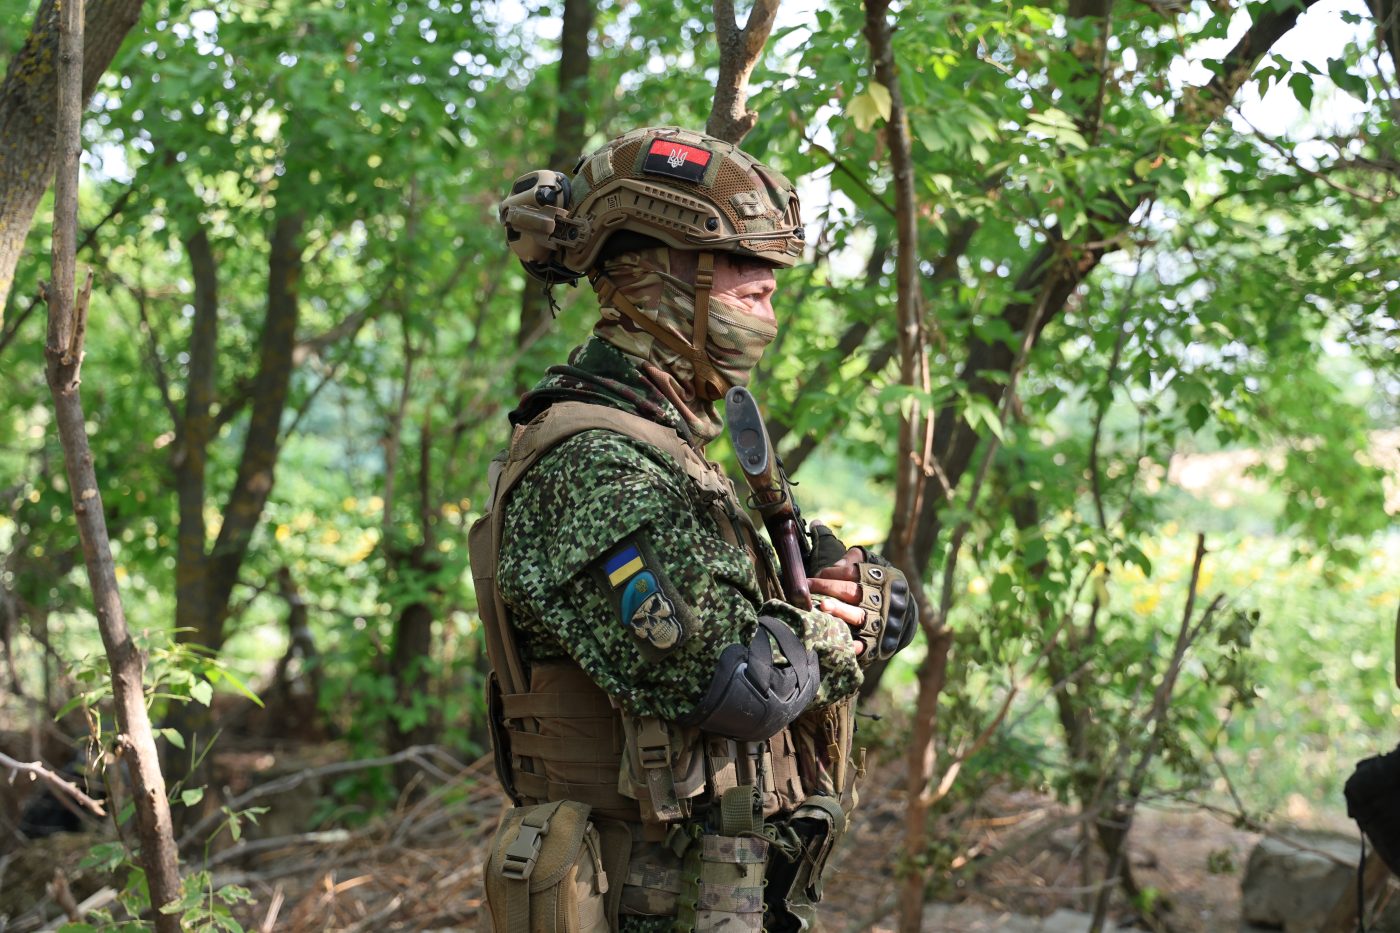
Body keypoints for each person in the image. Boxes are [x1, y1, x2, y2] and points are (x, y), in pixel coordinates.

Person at [471, 126, 917, 932]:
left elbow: (778, 625)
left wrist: (863, 595)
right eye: (752, 283)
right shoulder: (594, 465)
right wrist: (840, 636)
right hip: (632, 898)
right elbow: (741, 683)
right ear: (661, 279)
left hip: (714, 897)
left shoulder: (676, 452)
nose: (769, 308)